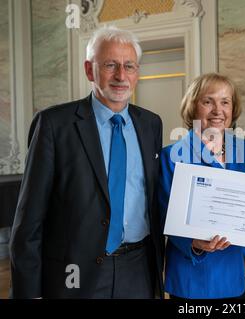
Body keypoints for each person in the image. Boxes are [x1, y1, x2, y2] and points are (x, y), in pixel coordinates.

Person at [9, 26, 164, 298]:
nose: (120, 76)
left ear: (137, 72)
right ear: (89, 70)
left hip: (138, 268)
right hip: (74, 272)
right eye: (110, 65)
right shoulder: (55, 125)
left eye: (129, 66)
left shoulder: (151, 124)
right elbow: (29, 222)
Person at [159, 73, 245, 299]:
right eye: (208, 101)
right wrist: (194, 243)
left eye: (225, 102)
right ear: (193, 107)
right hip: (199, 277)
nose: (217, 110)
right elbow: (164, 216)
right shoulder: (172, 156)